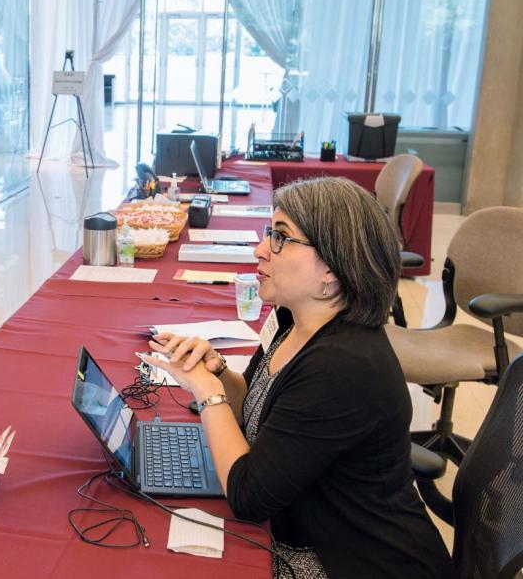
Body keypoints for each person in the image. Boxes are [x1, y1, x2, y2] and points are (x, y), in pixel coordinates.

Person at [144, 177, 454, 578]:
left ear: (332, 269)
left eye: (280, 237)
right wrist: (217, 373)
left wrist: (206, 393)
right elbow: (253, 403)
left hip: (352, 559)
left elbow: (248, 497)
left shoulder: (340, 367)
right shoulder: (295, 319)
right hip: (314, 528)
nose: (260, 249)